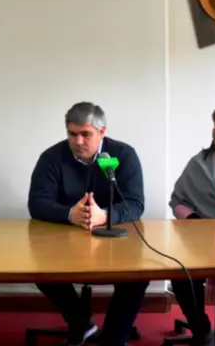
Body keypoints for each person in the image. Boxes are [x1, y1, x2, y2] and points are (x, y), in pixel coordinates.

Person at [27, 102, 149, 346]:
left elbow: (135, 204)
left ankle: (113, 339)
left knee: (138, 276)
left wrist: (105, 215)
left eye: (85, 134)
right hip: (64, 238)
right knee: (39, 268)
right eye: (72, 134)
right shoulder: (51, 157)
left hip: (114, 240)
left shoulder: (123, 155)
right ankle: (81, 321)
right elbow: (37, 203)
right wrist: (69, 214)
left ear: (102, 132)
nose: (78, 141)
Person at [169, 105, 215, 346]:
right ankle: (201, 328)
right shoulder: (199, 163)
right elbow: (178, 200)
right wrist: (195, 223)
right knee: (181, 273)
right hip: (203, 240)